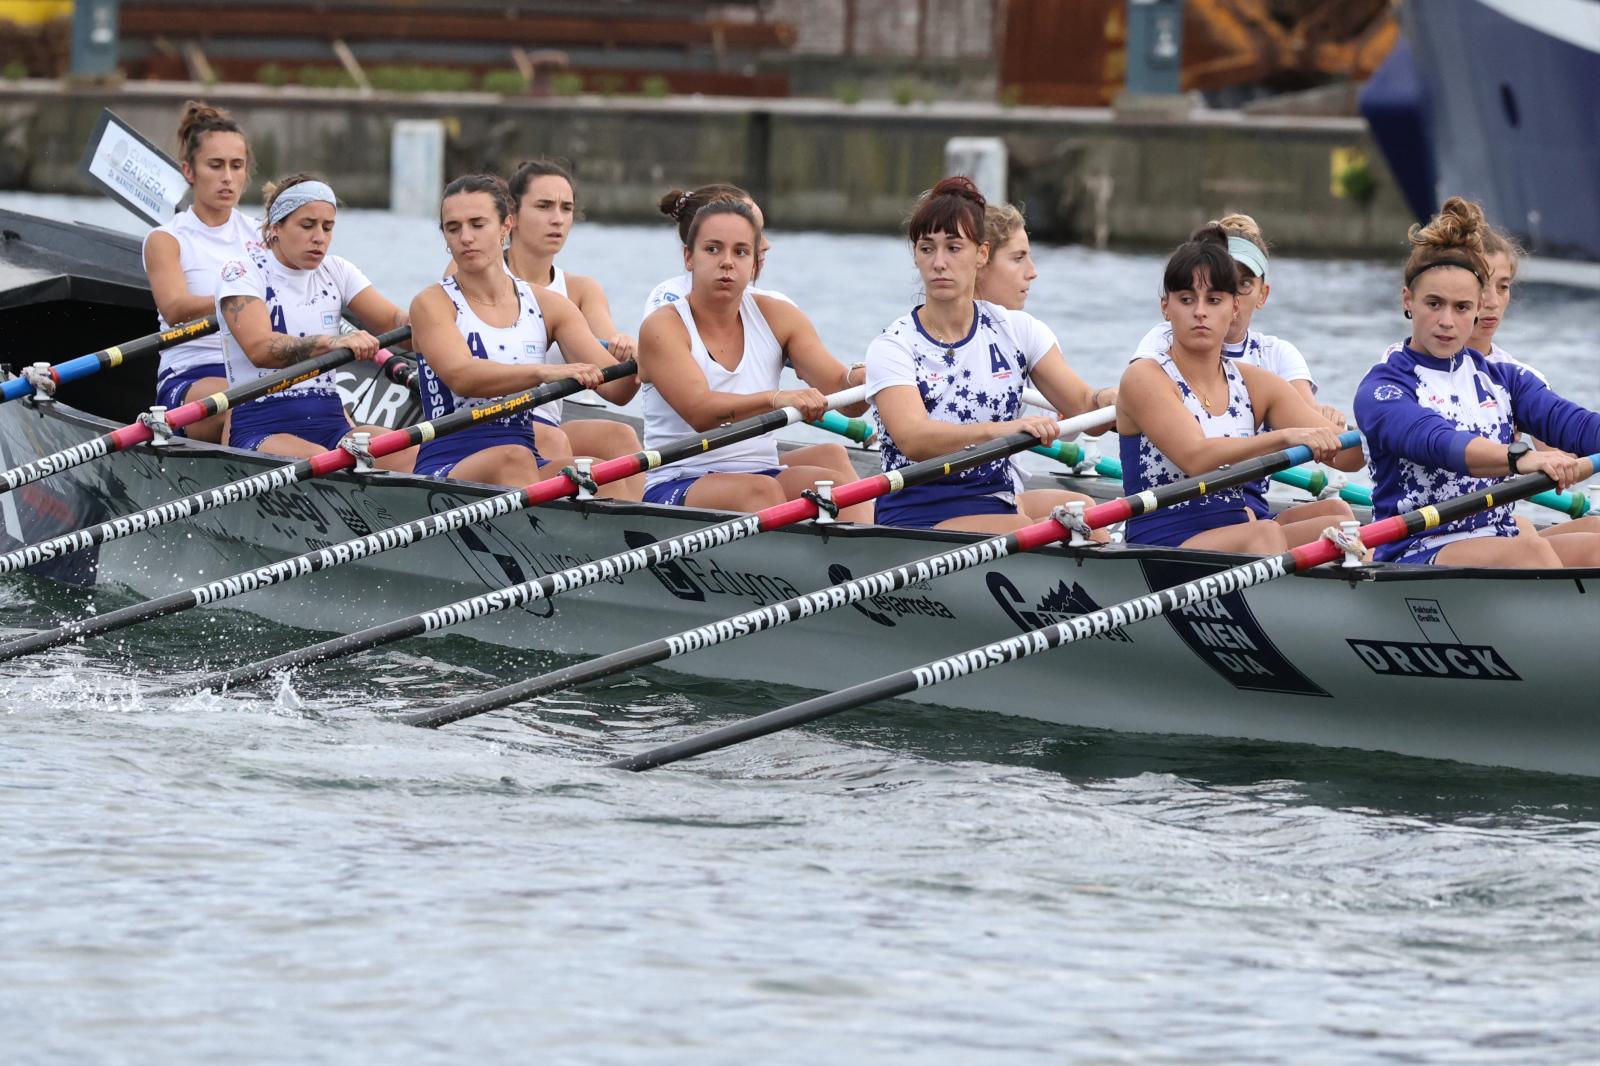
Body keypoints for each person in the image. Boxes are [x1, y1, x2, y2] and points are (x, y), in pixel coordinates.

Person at [1355, 197, 1600, 567]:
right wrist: (1523, 458)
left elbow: (1575, 424)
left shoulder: (1505, 378)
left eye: (1462, 307)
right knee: (1531, 550)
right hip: (1417, 547)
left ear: (1477, 306)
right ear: (1408, 300)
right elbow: (1439, 443)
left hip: (1498, 536)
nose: (1447, 321)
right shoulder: (1384, 386)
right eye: (1434, 304)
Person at [866, 178, 1117, 534]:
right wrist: (1004, 431)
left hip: (995, 500)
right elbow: (915, 439)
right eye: (927, 249)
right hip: (918, 508)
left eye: (954, 248)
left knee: (1087, 511)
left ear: (981, 255)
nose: (939, 263)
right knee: (1022, 526)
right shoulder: (893, 345)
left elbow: (1084, 408)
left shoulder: (1019, 330)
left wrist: (1111, 399)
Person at [1116, 224, 1362, 553]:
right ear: (1166, 307)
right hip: (1164, 535)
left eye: (1213, 300)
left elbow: (1349, 459)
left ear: (1233, 307)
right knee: (1263, 535)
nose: (1200, 311)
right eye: (1187, 299)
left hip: (1235, 528)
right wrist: (1287, 437)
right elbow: (1196, 458)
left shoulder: (1254, 382)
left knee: (1340, 519)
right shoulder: (1145, 376)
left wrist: (1382, 426)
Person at [636, 197, 871, 519]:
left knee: (837, 486)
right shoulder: (663, 325)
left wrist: (861, 378)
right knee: (759, 492)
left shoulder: (780, 317)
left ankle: (858, 561)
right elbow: (701, 412)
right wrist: (776, 398)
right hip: (679, 478)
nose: (727, 262)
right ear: (689, 257)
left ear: (755, 263)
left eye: (741, 252)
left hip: (762, 472)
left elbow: (846, 398)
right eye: (713, 249)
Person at [410, 174, 629, 487]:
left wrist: (641, 356)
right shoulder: (432, 303)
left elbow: (617, 390)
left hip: (525, 456)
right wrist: (543, 373)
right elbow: (462, 375)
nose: (466, 237)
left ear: (505, 227)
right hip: (449, 459)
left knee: (601, 471)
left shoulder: (548, 305)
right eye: (453, 228)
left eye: (477, 224)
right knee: (512, 458)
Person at [215, 174, 415, 470]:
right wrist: (333, 342)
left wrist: (437, 316)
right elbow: (259, 348)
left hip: (331, 422)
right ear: (275, 228)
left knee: (414, 452)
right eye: (307, 225)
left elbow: (396, 323)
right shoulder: (242, 272)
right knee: (323, 459)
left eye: (328, 227)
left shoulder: (337, 270)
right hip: (261, 423)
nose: (320, 236)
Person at [500, 159, 644, 499]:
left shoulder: (580, 289)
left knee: (620, 436)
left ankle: (647, 537)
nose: (557, 219)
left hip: (545, 424)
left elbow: (615, 378)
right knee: (554, 439)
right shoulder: (482, 273)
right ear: (512, 216)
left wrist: (629, 349)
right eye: (544, 206)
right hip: (488, 420)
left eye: (566, 208)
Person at [1130, 213, 1344, 425]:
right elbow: (1194, 454)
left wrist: (1321, 418)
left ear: (1263, 295)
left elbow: (1310, 419)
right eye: (1220, 284)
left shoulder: (1276, 353)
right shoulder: (1164, 339)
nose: (1232, 294)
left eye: (1243, 284)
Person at [1467, 223, 1600, 555]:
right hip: (1436, 528)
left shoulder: (1518, 377)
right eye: (1482, 285)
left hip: (1493, 521)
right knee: (1531, 540)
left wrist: (1562, 461)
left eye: (1504, 286)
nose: (1493, 302)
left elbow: (1567, 441)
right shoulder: (1402, 369)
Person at [142, 100, 258, 442]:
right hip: (191, 376)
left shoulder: (266, 235)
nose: (227, 177)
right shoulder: (167, 239)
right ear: (189, 172)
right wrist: (241, 300)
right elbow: (175, 309)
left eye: (237, 166)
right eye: (215, 165)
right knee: (247, 402)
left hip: (258, 369)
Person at [642, 183, 794, 320]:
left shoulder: (779, 305)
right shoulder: (669, 298)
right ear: (689, 255)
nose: (766, 245)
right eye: (713, 248)